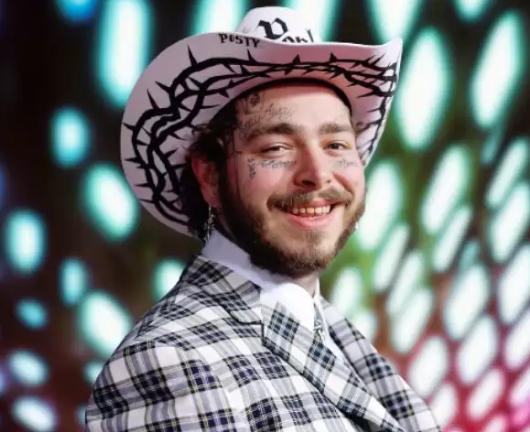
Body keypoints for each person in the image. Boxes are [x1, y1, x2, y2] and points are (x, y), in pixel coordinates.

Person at [85, 6, 441, 432]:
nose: (317, 174)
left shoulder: (331, 329)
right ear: (209, 175)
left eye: (335, 144)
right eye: (276, 148)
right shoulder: (168, 360)